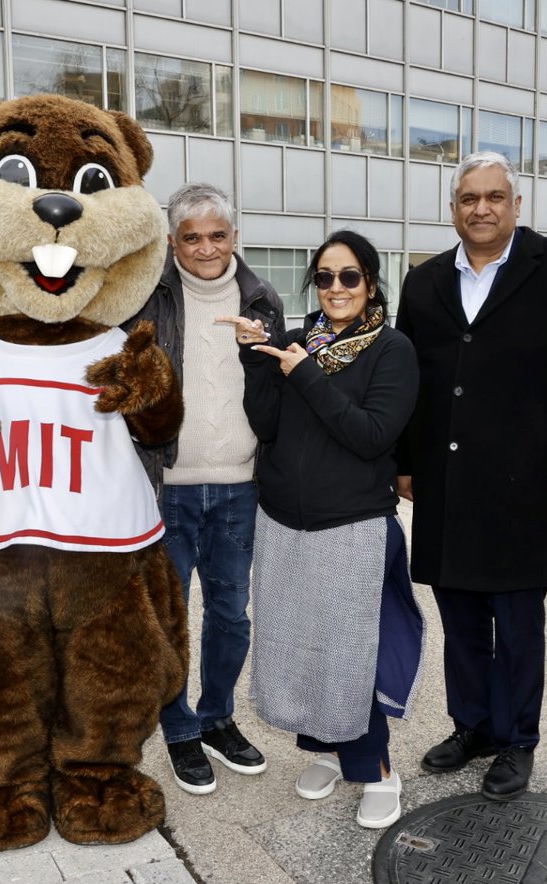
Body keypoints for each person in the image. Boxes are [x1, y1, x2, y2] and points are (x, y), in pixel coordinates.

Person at [395, 152, 547, 801]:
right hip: (446, 487)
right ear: (453, 208)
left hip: (527, 492)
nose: (481, 208)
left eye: (494, 197)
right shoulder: (424, 281)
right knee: (459, 619)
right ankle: (474, 727)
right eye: (468, 198)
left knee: (517, 627)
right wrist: (405, 463)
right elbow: (411, 378)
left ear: (517, 206)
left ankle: (517, 741)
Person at [220, 230, 423, 829]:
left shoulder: (392, 350)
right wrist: (255, 361)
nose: (336, 288)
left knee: (347, 653)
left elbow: (370, 435)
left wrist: (304, 372)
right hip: (284, 519)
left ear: (371, 282)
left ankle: (379, 770)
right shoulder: (293, 341)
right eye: (326, 277)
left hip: (352, 525)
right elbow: (268, 425)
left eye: (350, 276)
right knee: (298, 641)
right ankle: (329, 753)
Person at [124, 182, 285, 796]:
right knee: (168, 619)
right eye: (192, 237)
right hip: (166, 488)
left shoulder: (262, 298)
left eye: (218, 235)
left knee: (230, 615)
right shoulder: (144, 296)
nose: (206, 247)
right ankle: (179, 728)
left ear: (234, 238)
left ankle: (218, 717)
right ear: (172, 242)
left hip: (240, 488)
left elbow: (277, 389)